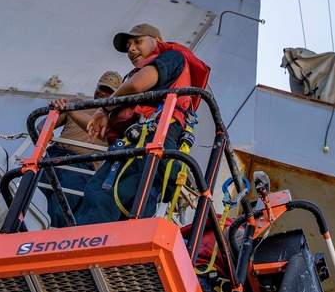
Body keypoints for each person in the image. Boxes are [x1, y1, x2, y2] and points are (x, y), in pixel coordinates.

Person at [71, 23, 210, 226]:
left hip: (147, 146)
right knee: (133, 211)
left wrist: (103, 109)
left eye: (138, 41)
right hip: (150, 148)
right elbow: (105, 130)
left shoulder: (172, 58)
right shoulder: (155, 92)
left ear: (158, 42)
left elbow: (136, 85)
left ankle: (80, 252)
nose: (131, 49)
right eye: (128, 45)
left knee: (100, 196)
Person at [40, 71, 122, 224]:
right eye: (101, 88)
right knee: (33, 196)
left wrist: (70, 109)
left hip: (83, 166)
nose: (103, 93)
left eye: (110, 91)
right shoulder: (76, 102)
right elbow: (41, 128)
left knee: (60, 208)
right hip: (55, 156)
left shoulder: (117, 118)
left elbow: (100, 132)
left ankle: (43, 238)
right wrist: (54, 110)